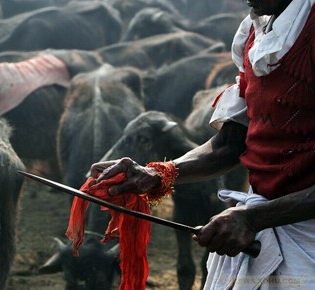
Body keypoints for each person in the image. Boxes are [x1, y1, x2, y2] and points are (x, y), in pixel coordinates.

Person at [89, 0, 315, 288]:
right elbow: (230, 144)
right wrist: (158, 173)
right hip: (263, 230)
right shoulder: (254, 33)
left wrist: (254, 217)